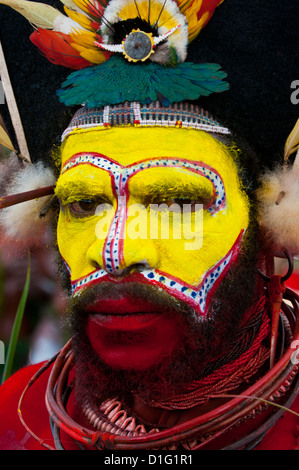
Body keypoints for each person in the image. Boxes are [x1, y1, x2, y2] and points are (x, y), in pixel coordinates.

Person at [0, 0, 298, 451]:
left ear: (267, 226)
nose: (115, 251)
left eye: (178, 201)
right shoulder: (14, 414)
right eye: (83, 204)